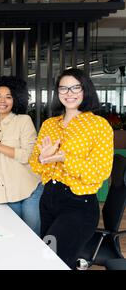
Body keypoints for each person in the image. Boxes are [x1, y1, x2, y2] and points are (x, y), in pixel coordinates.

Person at [29, 68, 113, 269]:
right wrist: (43, 158)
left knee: (52, 260)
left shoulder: (99, 126)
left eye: (75, 87)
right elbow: (34, 164)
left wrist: (65, 157)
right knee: (49, 258)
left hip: (78, 205)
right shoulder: (50, 124)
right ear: (57, 93)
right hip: (48, 198)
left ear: (85, 90)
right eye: (63, 88)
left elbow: (100, 171)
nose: (69, 93)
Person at [0, 76, 42, 235]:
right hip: (5, 191)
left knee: (32, 234)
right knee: (14, 233)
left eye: (8, 96)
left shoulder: (24, 121)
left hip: (29, 188)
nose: (2, 100)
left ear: (16, 99)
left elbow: (27, 156)